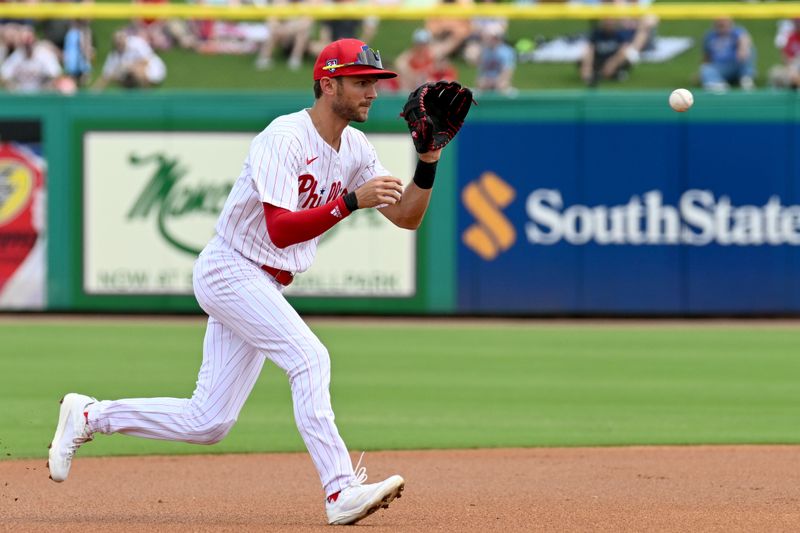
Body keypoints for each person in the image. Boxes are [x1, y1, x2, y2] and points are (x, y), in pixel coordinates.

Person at [48, 38, 449, 526]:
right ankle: (340, 489)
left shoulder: (356, 147)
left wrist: (427, 160)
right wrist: (349, 202)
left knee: (208, 421)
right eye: (361, 82)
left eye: (375, 82)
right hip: (230, 268)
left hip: (264, 281)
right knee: (309, 357)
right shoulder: (284, 138)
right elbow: (280, 228)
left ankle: (90, 416)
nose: (373, 92)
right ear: (328, 84)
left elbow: (406, 216)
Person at [92, 30, 166, 89]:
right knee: (119, 75)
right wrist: (92, 94)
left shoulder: (136, 43)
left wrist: (128, 66)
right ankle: (131, 94)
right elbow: (106, 76)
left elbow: (146, 61)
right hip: (131, 77)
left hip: (154, 70)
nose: (119, 43)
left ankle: (145, 93)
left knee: (136, 70)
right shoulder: (114, 55)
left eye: (120, 40)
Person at [700, 17, 756, 92]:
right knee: (706, 69)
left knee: (749, 50)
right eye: (719, 24)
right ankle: (717, 84)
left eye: (724, 23)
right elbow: (706, 57)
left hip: (737, 64)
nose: (722, 26)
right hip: (719, 67)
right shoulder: (710, 36)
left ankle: (746, 79)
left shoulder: (737, 32)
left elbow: (744, 40)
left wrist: (742, 49)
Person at [580, 18, 634, 87]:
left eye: (610, 20)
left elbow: (624, 49)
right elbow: (589, 49)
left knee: (627, 57)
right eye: (606, 20)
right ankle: (597, 74)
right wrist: (587, 67)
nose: (608, 23)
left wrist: (613, 63)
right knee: (583, 59)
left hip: (613, 60)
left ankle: (613, 74)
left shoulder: (620, 33)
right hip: (599, 60)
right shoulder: (596, 34)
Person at [476, 22, 516, 94]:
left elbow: (507, 72)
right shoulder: (484, 51)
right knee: (480, 84)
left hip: (499, 80)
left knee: (502, 85)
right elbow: (481, 71)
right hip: (487, 80)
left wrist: (495, 82)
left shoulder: (506, 52)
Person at [769, 18, 800, 89]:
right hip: (792, 68)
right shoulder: (791, 37)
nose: (798, 25)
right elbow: (786, 58)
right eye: (796, 23)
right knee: (775, 73)